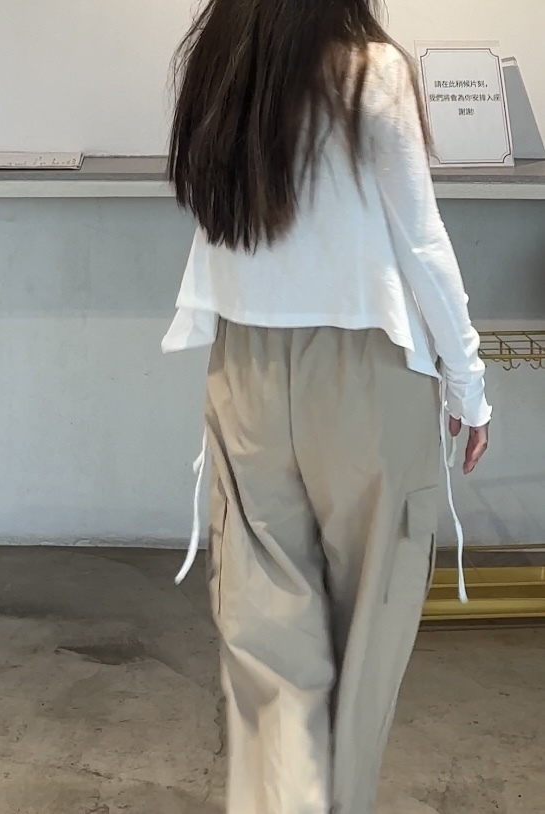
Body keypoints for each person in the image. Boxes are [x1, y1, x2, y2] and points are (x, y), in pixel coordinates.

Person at [162, 0, 491, 811]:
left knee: (265, 636)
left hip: (243, 363)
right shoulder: (370, 72)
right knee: (369, 620)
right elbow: (421, 242)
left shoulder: (218, 63)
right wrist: (467, 384)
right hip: (364, 370)